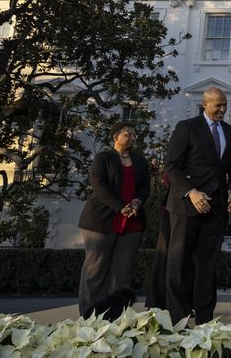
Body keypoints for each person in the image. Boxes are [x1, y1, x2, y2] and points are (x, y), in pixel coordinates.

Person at [163, 87, 231, 324]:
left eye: (225, 104)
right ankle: (177, 318)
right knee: (180, 262)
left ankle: (205, 318)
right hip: (187, 206)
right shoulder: (186, 127)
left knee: (208, 264)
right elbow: (171, 166)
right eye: (218, 105)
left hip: (217, 208)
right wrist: (191, 192)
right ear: (204, 104)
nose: (222, 109)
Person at [78, 122, 150, 318]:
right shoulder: (103, 158)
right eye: (128, 134)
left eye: (135, 135)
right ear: (115, 137)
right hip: (101, 220)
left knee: (122, 273)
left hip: (132, 222)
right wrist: (121, 207)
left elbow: (145, 187)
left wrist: (137, 202)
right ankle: (89, 315)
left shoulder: (140, 161)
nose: (133, 138)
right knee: (95, 270)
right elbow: (99, 186)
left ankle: (116, 317)